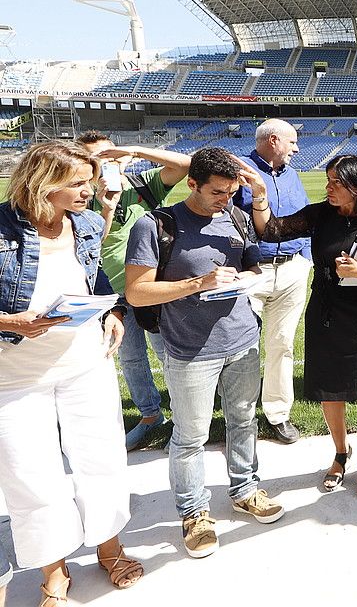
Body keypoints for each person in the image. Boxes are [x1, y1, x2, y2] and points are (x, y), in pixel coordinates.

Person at [125, 148, 285, 559]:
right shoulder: (156, 225)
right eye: (217, 192)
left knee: (243, 419)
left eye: (232, 191)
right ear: (191, 183)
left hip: (242, 340)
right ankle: (194, 513)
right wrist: (199, 283)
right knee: (191, 436)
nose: (225, 200)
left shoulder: (235, 216)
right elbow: (137, 292)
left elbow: (253, 268)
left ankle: (245, 490)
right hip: (191, 350)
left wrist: (240, 279)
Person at [0, 141, 142, 604]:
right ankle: (55, 570)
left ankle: (109, 547)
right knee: (32, 475)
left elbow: (95, 278)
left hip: (85, 364)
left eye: (89, 180)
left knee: (102, 460)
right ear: (43, 184)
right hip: (16, 376)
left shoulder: (83, 223)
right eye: (78, 183)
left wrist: (114, 310)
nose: (90, 190)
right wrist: (10, 322)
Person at [240, 154, 357, 497]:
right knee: (329, 384)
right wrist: (259, 194)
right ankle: (340, 453)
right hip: (324, 309)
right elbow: (271, 230)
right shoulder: (320, 214)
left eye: (336, 182)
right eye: (328, 180)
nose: (328, 188)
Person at [77, 130, 191, 450]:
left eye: (110, 155)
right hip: (112, 290)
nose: (107, 163)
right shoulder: (81, 198)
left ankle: (183, 419)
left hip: (151, 287)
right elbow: (87, 247)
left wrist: (134, 151)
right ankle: (149, 416)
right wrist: (106, 207)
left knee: (166, 353)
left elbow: (185, 164)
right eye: (98, 159)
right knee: (130, 358)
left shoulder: (143, 183)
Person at [232, 118, 310, 444]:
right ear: (274, 141)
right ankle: (241, 414)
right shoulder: (239, 172)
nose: (296, 148)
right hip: (252, 272)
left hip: (292, 270)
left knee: (282, 344)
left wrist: (305, 257)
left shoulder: (292, 175)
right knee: (241, 348)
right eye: (292, 143)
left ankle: (278, 413)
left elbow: (303, 218)